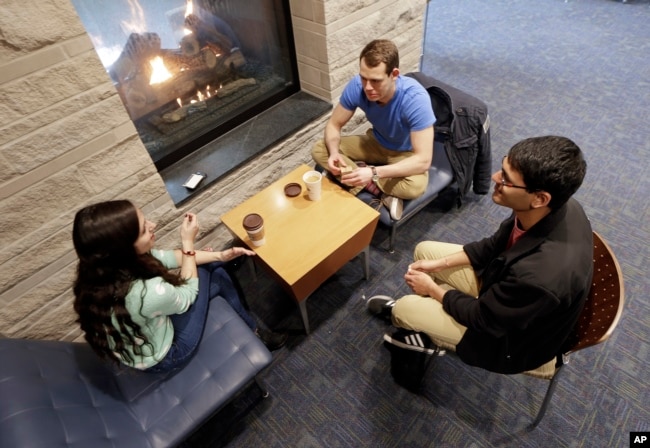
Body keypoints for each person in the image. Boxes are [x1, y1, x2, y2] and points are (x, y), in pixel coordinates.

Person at [368, 136, 593, 374]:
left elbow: (483, 319)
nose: (495, 177)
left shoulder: (540, 276)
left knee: (405, 309)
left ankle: (421, 328)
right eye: (503, 168)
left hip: (511, 342)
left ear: (540, 198)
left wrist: (432, 290)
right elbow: (494, 245)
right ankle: (428, 317)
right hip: (510, 296)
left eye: (506, 179)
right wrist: (438, 265)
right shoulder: (549, 208)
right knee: (425, 251)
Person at [72, 200, 287, 373]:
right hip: (169, 354)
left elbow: (167, 258)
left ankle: (250, 325)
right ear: (124, 248)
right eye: (144, 230)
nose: (153, 225)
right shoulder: (146, 293)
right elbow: (186, 293)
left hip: (148, 331)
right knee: (214, 272)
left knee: (214, 269)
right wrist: (188, 243)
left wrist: (219, 255)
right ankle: (255, 331)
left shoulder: (102, 269)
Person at [311, 39, 436, 221]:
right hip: (375, 142)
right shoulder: (357, 86)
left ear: (394, 74)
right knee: (320, 149)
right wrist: (334, 153)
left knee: (415, 186)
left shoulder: (415, 100)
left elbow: (423, 161)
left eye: (376, 81)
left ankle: (359, 176)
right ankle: (374, 186)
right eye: (363, 78)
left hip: (405, 153)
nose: (367, 87)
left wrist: (373, 172)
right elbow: (334, 124)